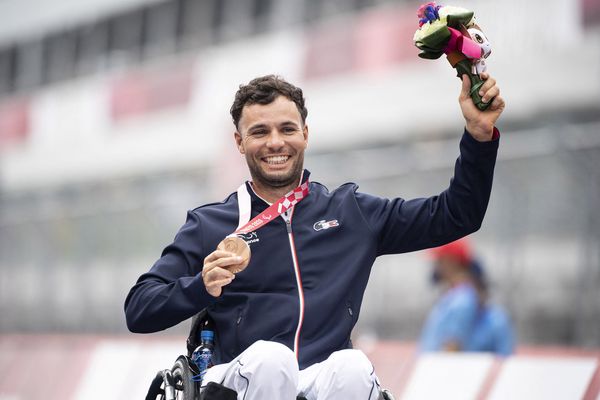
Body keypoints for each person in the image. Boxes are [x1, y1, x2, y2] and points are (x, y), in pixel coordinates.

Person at [125, 72, 505, 399]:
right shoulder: (210, 224)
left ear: (305, 135)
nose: (275, 142)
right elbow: (140, 309)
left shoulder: (350, 213)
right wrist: (200, 286)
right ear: (240, 142)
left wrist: (479, 134)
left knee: (353, 366)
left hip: (323, 382)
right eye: (260, 131)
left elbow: (457, 215)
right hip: (240, 380)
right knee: (273, 360)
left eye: (287, 129)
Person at [419, 239, 514, 355]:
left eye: (439, 260)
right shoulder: (456, 297)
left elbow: (452, 348)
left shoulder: (461, 300)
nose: (436, 266)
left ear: (450, 262)